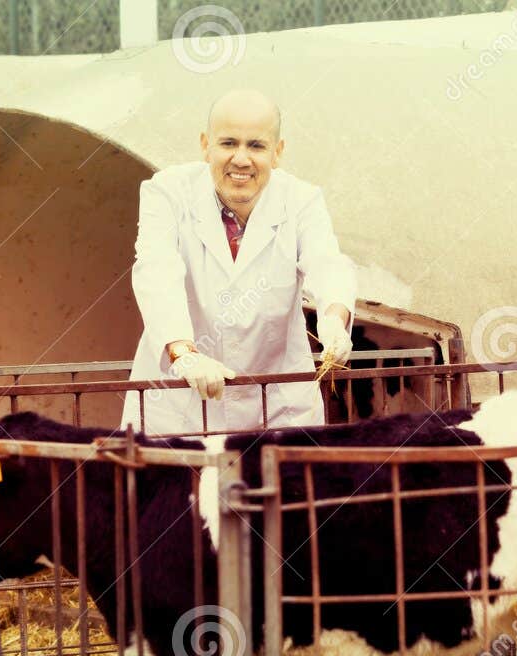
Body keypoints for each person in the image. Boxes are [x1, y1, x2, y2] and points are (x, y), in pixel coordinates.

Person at [120, 88, 358, 437]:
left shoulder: (302, 200)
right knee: (177, 490)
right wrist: (184, 353)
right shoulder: (167, 192)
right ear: (205, 145)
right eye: (228, 143)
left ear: (277, 153)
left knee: (283, 490)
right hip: (178, 406)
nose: (241, 159)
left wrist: (335, 319)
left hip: (278, 407)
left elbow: (326, 263)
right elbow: (157, 270)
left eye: (256, 146)